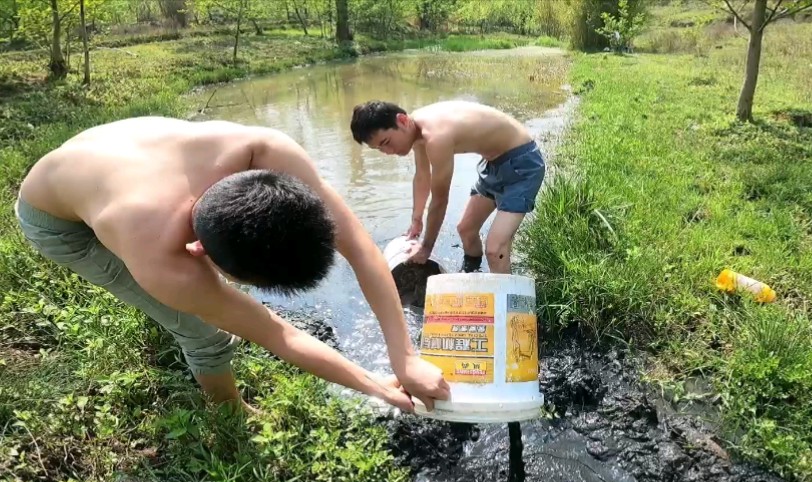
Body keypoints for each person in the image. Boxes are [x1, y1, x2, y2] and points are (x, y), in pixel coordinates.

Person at [14, 116, 450, 414]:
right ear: (200, 251)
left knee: (177, 299)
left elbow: (357, 246)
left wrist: (404, 357)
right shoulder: (160, 258)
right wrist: (377, 388)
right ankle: (230, 414)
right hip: (54, 214)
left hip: (111, 153)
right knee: (199, 328)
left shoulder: (266, 148)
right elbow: (277, 333)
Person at [349, 100, 545, 274]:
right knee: (466, 229)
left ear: (401, 120)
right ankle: (471, 275)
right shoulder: (415, 129)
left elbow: (440, 199)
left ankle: (509, 310)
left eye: (386, 142)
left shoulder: (436, 137)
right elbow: (422, 177)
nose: (388, 152)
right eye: (380, 149)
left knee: (495, 249)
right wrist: (416, 220)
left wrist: (426, 248)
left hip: (522, 164)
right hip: (493, 165)